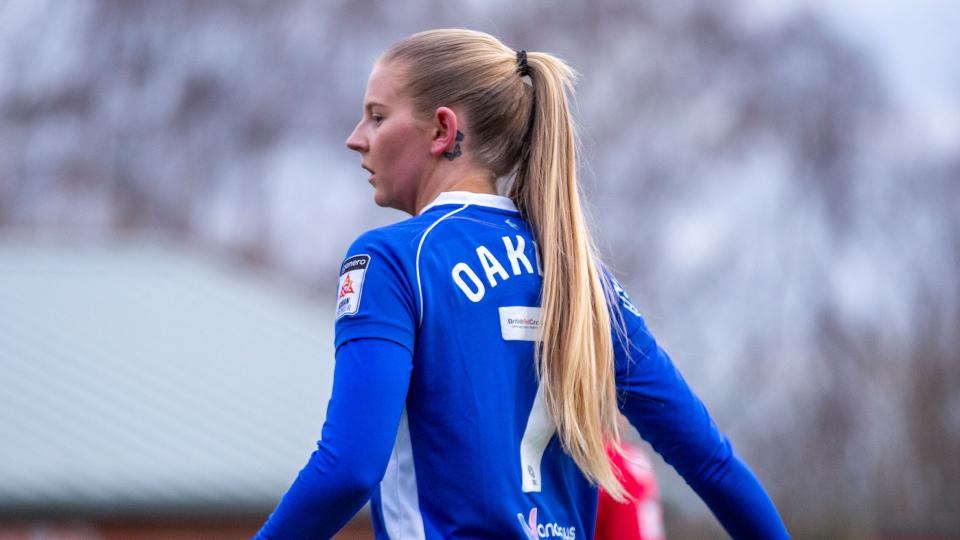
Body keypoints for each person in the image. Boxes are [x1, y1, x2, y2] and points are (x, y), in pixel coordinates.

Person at [255, 29, 789, 539]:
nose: (356, 139)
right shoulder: (579, 277)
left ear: (442, 130)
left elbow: (349, 468)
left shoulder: (393, 260)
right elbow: (713, 465)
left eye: (376, 116)